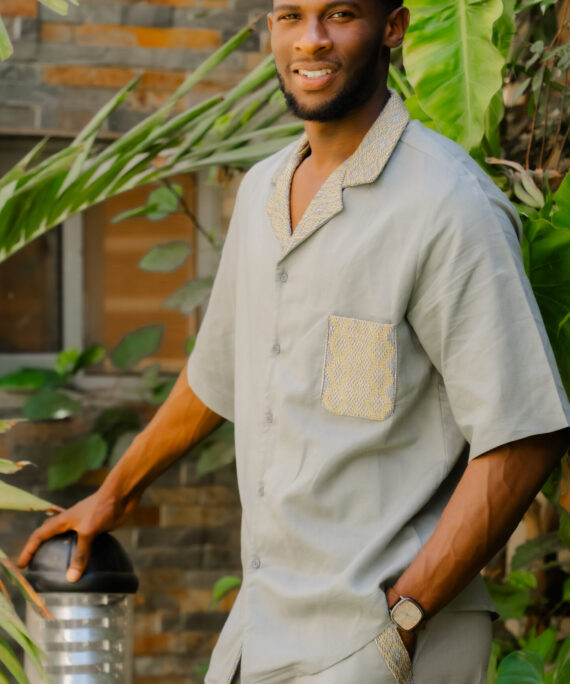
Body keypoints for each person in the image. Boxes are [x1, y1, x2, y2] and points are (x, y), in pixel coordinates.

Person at [19, 0, 570, 682]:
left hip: (383, 640)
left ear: (392, 28)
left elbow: (522, 439)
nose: (311, 40)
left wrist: (402, 620)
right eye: (290, 16)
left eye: (339, 13)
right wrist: (116, 490)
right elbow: (217, 372)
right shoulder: (259, 193)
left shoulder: (448, 206)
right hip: (262, 628)